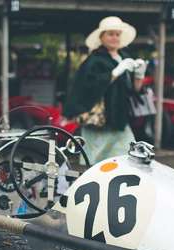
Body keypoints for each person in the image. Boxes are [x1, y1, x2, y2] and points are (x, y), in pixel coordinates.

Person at [63, 16, 147, 161]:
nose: (115, 38)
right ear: (101, 37)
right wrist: (115, 72)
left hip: (120, 119)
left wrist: (139, 75)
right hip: (99, 121)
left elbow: (133, 90)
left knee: (127, 157)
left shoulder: (125, 57)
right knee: (96, 161)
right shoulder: (94, 60)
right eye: (110, 34)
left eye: (117, 34)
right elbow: (87, 87)